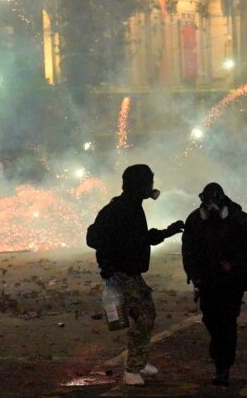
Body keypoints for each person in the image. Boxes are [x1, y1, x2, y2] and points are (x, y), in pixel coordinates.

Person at [86, 164, 184, 386]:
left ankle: (138, 363)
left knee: (146, 315)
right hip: (121, 273)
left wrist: (168, 231)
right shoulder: (119, 210)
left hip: (130, 272)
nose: (151, 186)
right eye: (148, 181)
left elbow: (141, 238)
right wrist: (108, 272)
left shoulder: (132, 207)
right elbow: (101, 240)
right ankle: (132, 369)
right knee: (144, 317)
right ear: (138, 184)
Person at [181, 182, 247, 387]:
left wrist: (235, 263)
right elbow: (188, 250)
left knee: (227, 322)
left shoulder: (238, 219)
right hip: (207, 281)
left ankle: (222, 367)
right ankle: (220, 354)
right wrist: (194, 275)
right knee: (211, 320)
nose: (209, 207)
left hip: (231, 281)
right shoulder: (195, 219)